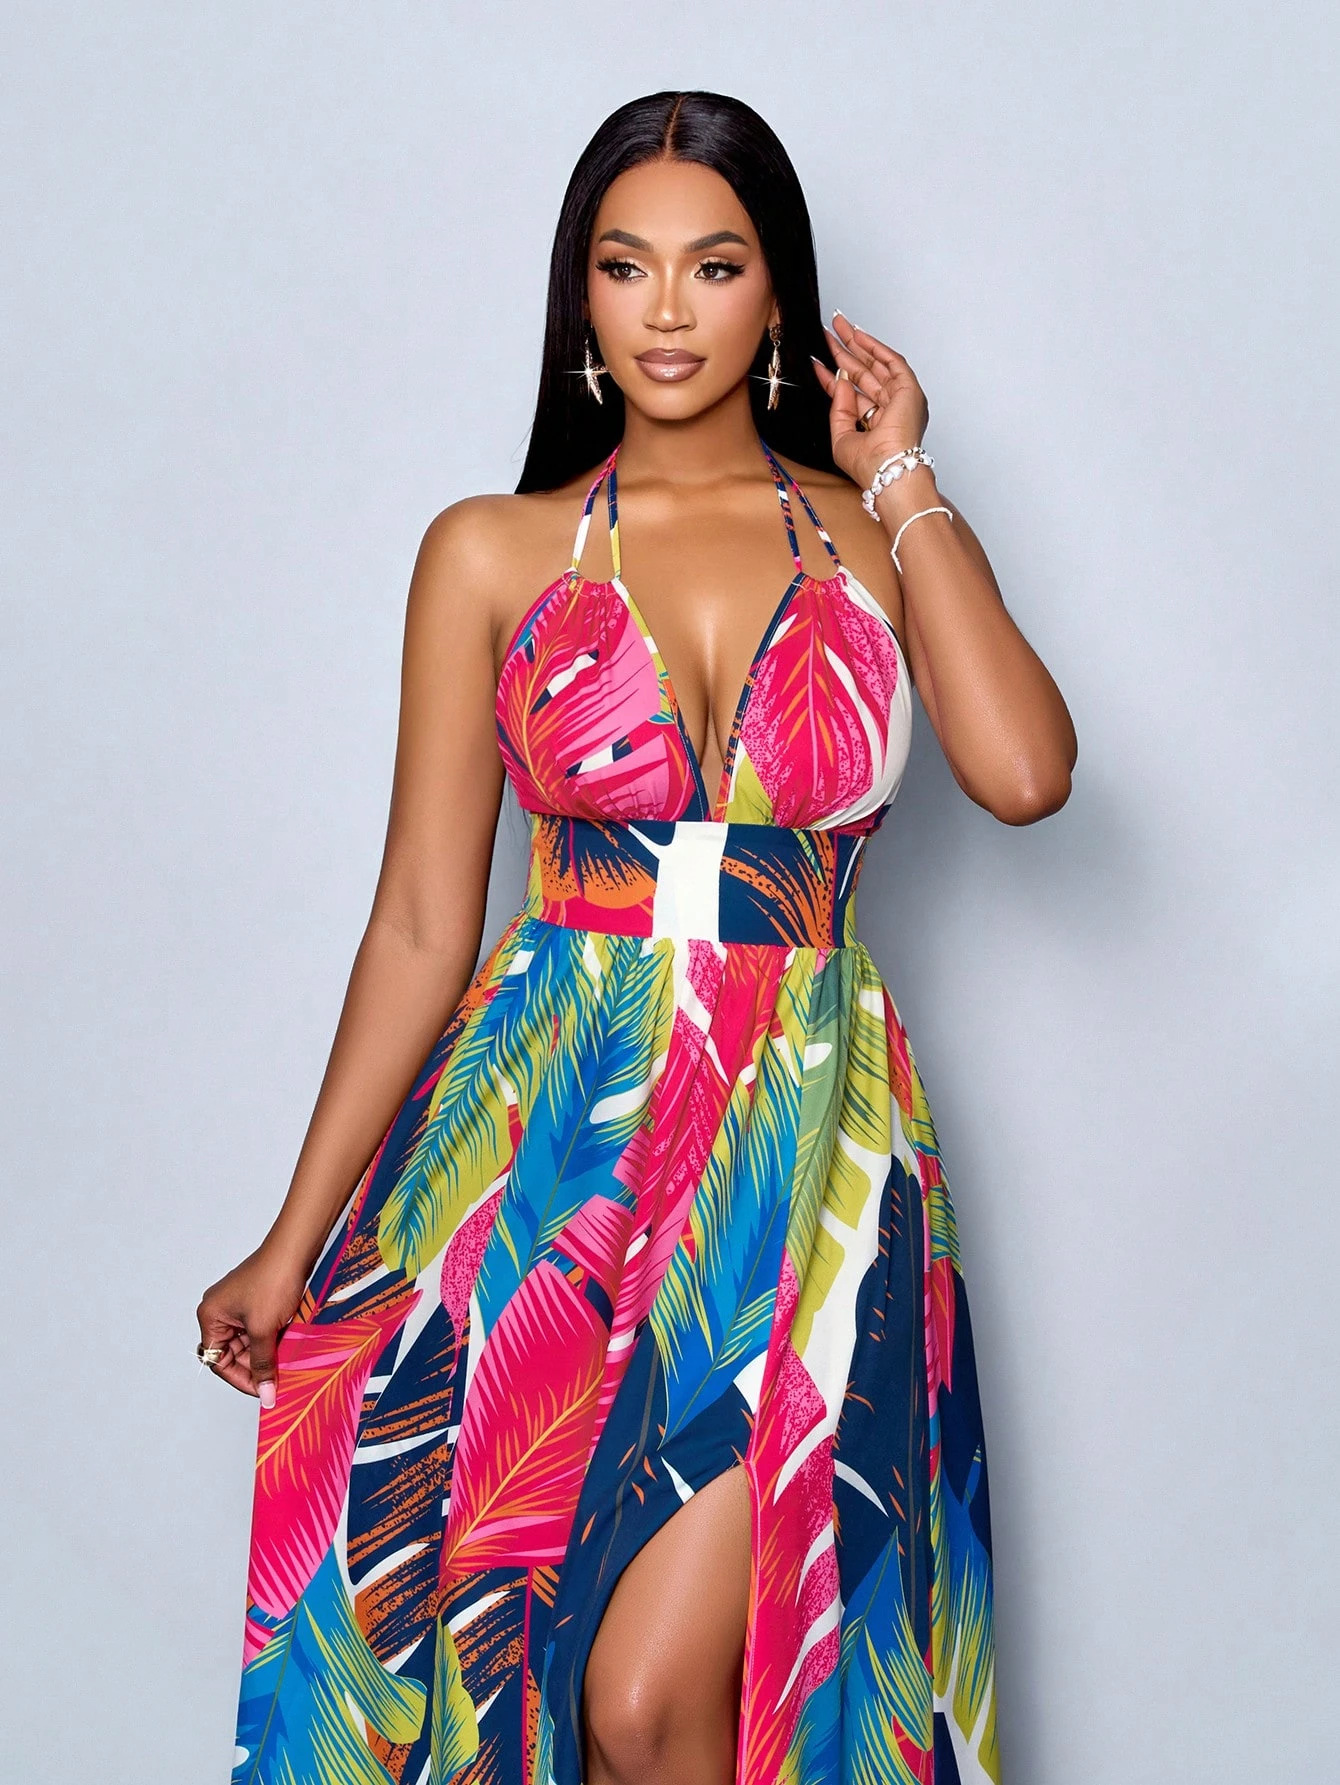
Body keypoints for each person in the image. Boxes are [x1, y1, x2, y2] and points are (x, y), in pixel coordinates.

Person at [199, 88, 1075, 1785]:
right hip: (547, 1141)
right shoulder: (491, 551)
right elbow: (420, 921)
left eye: (715, 265)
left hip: (801, 1141)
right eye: (626, 265)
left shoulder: (871, 539)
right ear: (581, 296)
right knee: (530, 1675)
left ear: (778, 294)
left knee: (650, 1698)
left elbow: (1027, 773)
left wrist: (903, 475)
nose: (668, 309)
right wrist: (292, 1238)